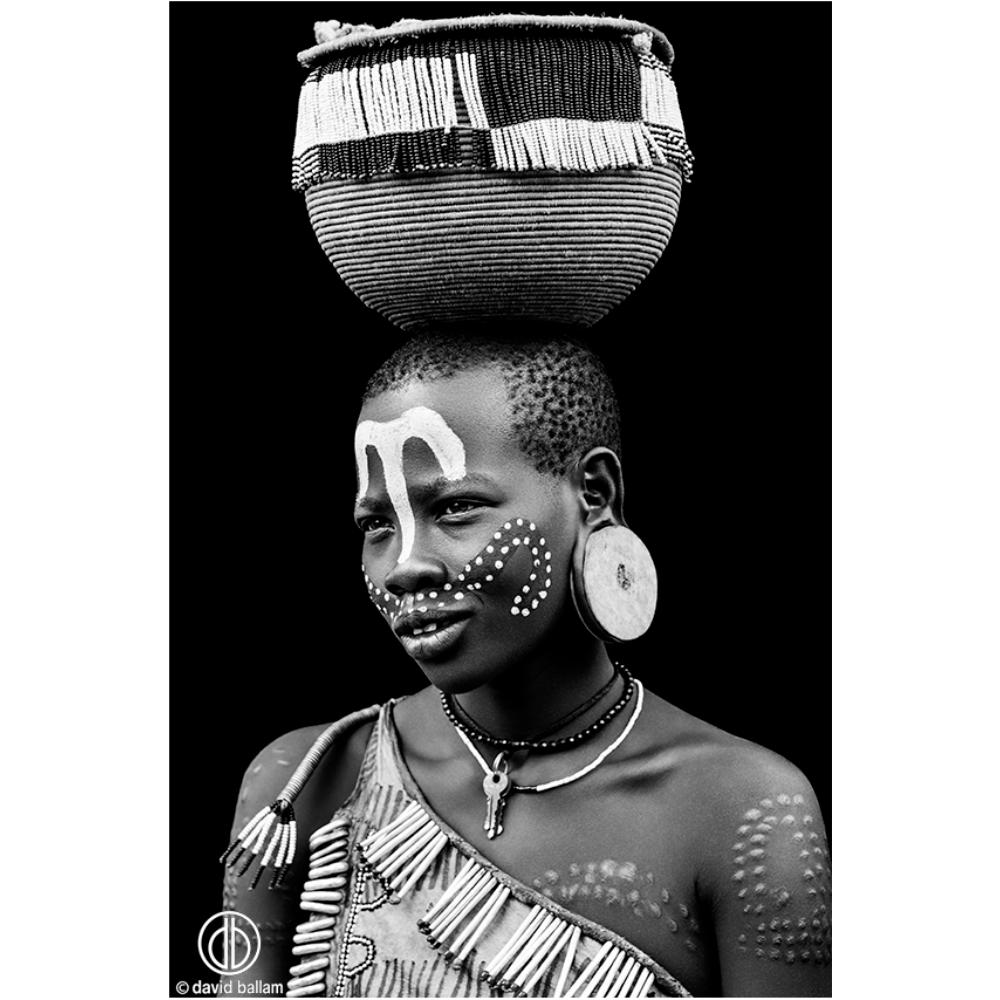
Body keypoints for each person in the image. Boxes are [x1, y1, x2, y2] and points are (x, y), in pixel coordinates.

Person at [223, 336, 831, 997]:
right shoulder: (304, 787)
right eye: (377, 525)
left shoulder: (744, 813)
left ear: (594, 493)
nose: (403, 567)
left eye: (455, 507)